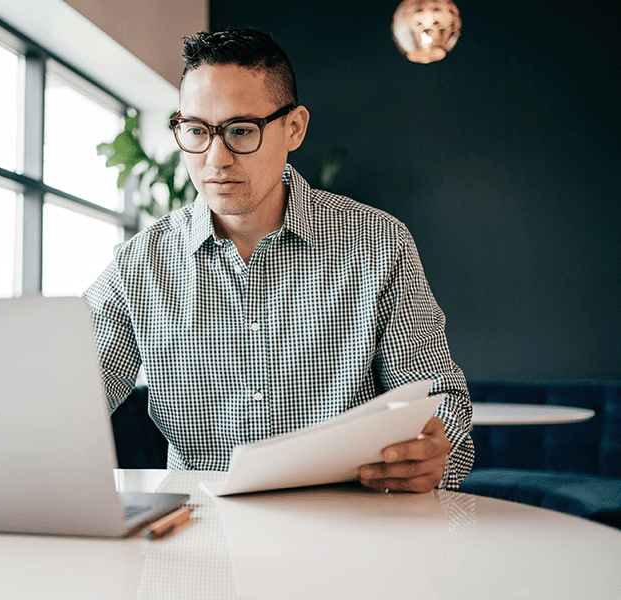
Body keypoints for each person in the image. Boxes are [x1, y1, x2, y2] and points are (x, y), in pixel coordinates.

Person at [84, 28, 473, 492]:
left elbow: (440, 400)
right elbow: (65, 395)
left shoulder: (378, 244)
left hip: (350, 533)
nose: (216, 159)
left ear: (294, 128)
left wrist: (435, 449)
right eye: (195, 131)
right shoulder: (139, 264)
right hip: (199, 540)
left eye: (241, 131)